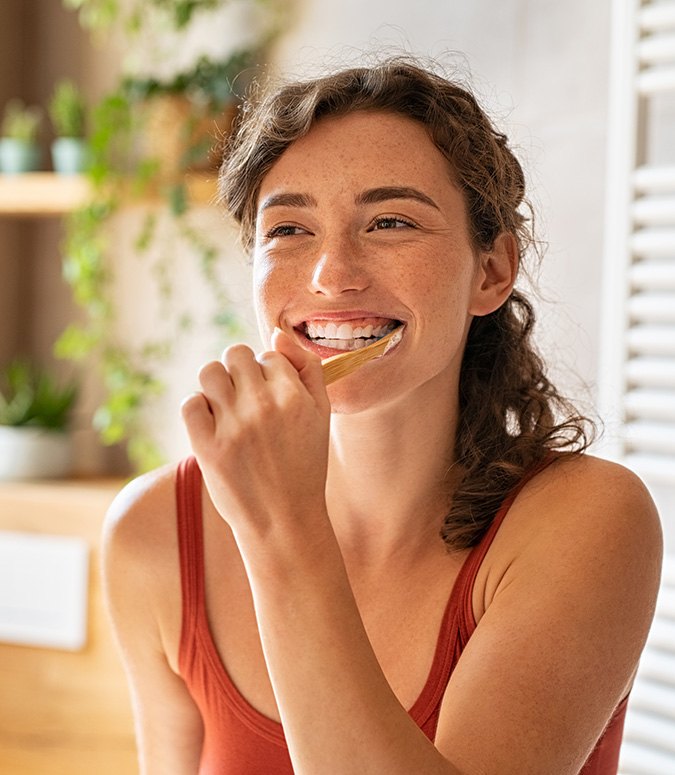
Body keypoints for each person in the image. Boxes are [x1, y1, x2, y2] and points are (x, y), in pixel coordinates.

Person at [102, 56, 663, 775]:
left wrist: (281, 527)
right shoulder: (154, 531)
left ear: (490, 271)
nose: (331, 273)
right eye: (288, 230)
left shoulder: (586, 520)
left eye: (390, 221)